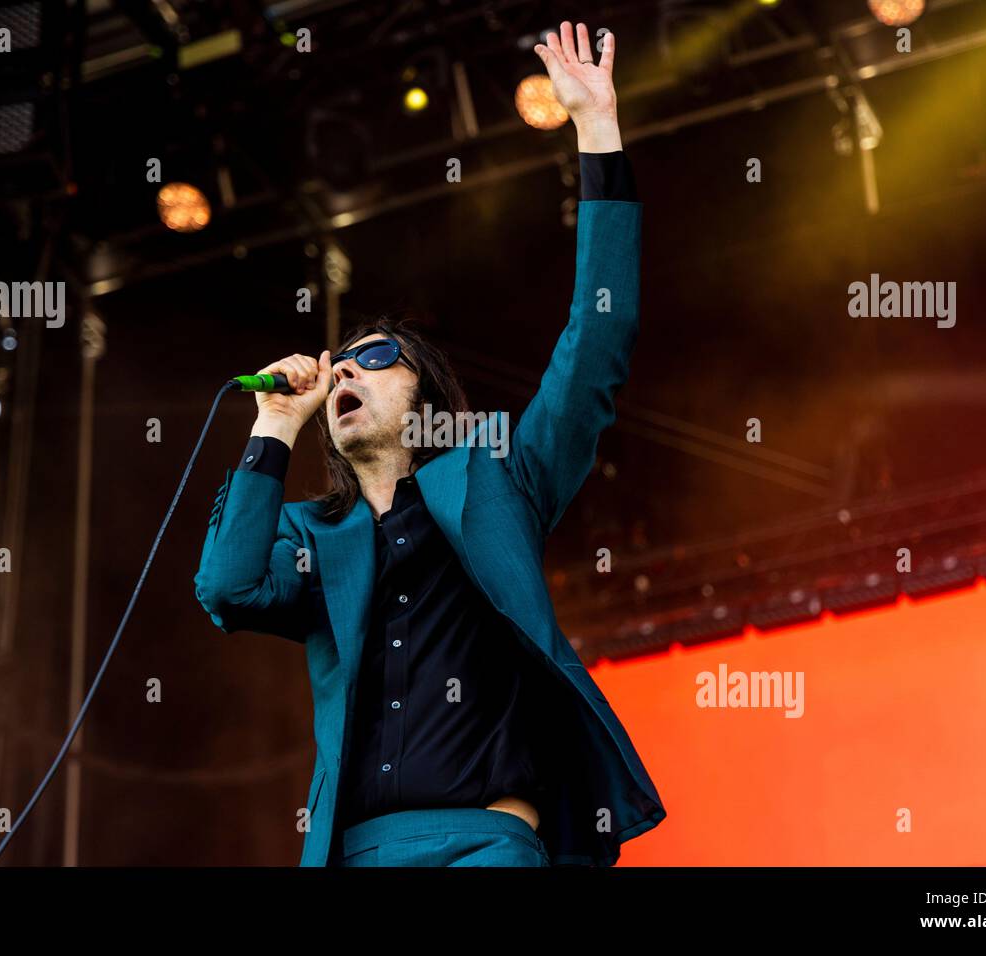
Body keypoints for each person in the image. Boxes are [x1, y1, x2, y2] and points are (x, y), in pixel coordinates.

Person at [194, 20, 664, 866]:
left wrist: (597, 131)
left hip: (488, 844)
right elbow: (226, 589)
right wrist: (272, 427)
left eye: (374, 361)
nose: (344, 376)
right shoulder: (313, 538)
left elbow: (600, 340)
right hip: (359, 853)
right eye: (338, 368)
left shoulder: (500, 481)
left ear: (426, 397)